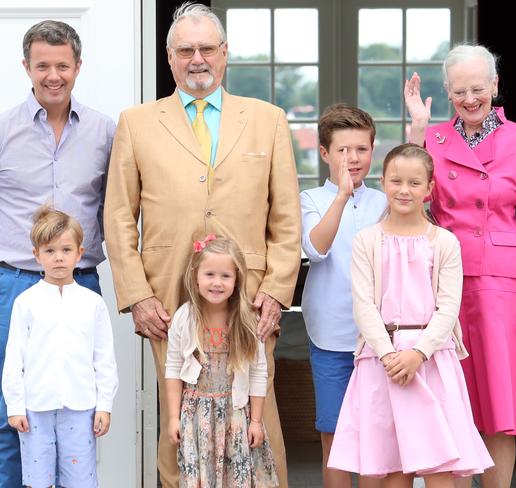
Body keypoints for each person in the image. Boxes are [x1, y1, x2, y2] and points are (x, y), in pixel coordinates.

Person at [103, 2, 300, 486]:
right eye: (185, 50)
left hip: (250, 295)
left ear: (225, 53)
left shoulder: (267, 120)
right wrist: (136, 294)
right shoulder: (137, 121)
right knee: (179, 415)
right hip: (166, 294)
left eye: (207, 48)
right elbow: (118, 216)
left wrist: (276, 290)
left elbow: (286, 217)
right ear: (169, 58)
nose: (197, 59)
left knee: (258, 414)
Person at [405, 44, 516, 488]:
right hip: (442, 282)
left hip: (503, 288)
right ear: (447, 92)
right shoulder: (432, 139)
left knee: (496, 409)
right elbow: (412, 199)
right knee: (447, 401)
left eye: (478, 89)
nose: (469, 100)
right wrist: (416, 129)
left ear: (494, 85)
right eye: (458, 92)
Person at [328, 143, 493, 487]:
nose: (404, 190)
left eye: (415, 183)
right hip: (381, 361)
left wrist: (419, 353)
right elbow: (364, 305)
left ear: (430, 189)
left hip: (432, 360)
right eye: (396, 181)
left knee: (440, 466)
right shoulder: (366, 241)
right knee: (389, 467)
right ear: (383, 182)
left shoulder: (444, 242)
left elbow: (448, 307)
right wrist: (389, 355)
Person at [0, 20, 115, 486]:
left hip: (82, 282)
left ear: (78, 66)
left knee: (81, 412)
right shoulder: (3, 131)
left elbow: (120, 208)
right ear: (26, 67)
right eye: (42, 65)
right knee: (13, 411)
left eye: (62, 65)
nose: (53, 75)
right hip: (14, 283)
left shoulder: (106, 132)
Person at [300, 103, 386, 488]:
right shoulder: (311, 200)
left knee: (374, 435)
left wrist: (418, 126)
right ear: (324, 153)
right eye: (342, 150)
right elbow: (316, 248)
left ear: (372, 150)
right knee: (335, 433)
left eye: (361, 150)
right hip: (330, 336)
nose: (352, 159)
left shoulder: (384, 202)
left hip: (379, 339)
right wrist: (340, 198)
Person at [2, 207, 118, 488]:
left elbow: (104, 359)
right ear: (36, 255)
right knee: (37, 480)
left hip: (80, 408)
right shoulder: (26, 303)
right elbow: (14, 358)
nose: (58, 258)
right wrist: (15, 406)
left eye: (66, 249)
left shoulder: (92, 303)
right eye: (50, 250)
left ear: (79, 253)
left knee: (80, 478)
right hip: (35, 410)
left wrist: (104, 405)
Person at [166, 235, 278, 487]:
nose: (217, 283)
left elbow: (258, 372)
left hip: (235, 415)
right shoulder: (185, 318)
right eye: (209, 274)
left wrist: (257, 422)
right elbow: (173, 368)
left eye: (225, 276)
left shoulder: (246, 319)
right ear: (195, 275)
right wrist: (174, 417)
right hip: (196, 417)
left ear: (237, 278)